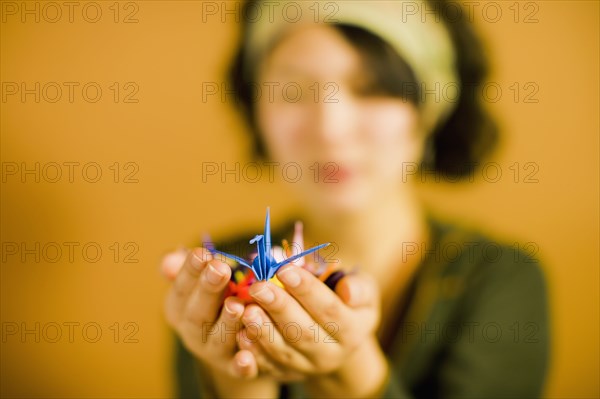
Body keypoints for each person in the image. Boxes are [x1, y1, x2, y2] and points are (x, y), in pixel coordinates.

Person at [162, 0, 550, 397]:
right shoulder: (217, 282)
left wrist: (352, 372)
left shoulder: (498, 279)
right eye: (292, 91)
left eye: (374, 89)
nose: (331, 128)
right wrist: (236, 375)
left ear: (429, 110)